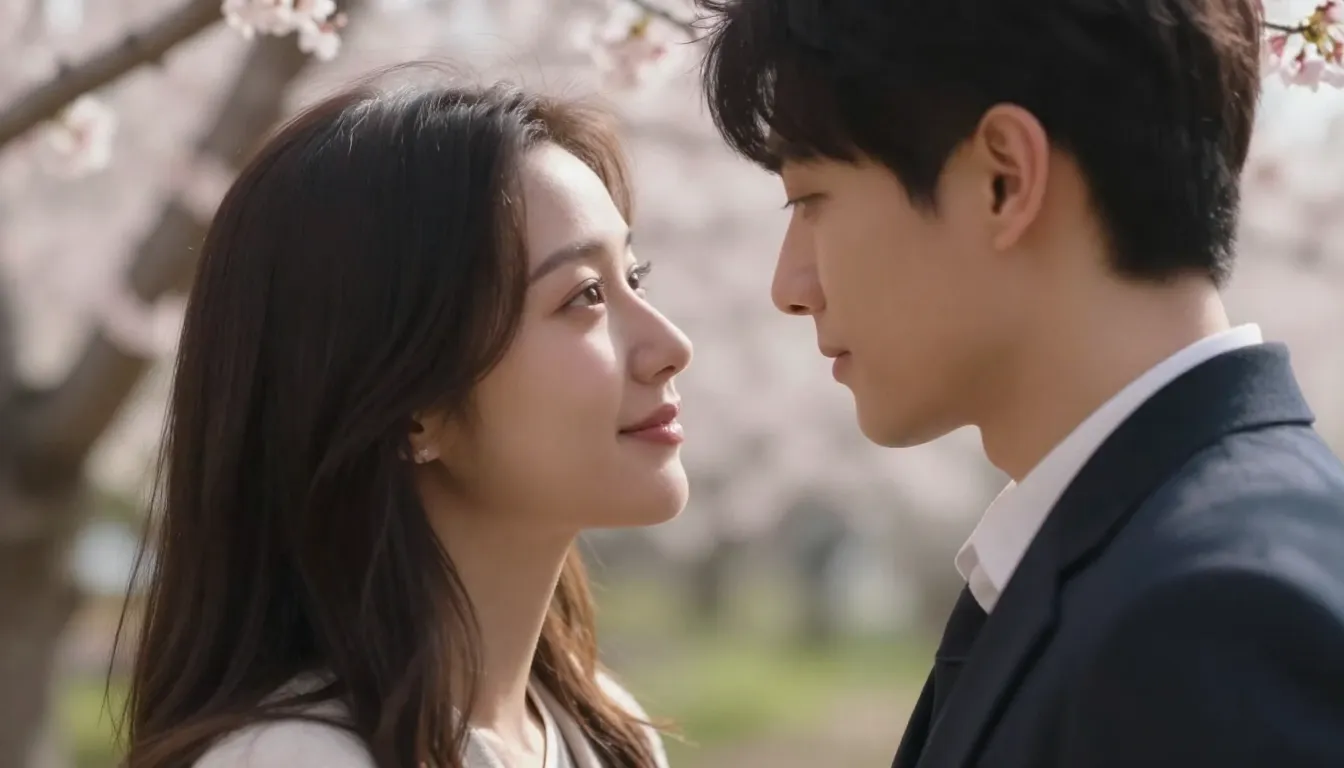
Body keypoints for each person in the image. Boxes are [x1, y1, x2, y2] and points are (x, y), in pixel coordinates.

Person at [696, 1, 1344, 766]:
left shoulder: (1209, 621)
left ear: (1003, 179)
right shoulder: (1142, 562)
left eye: (810, 199)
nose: (787, 285)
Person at [115, 68, 689, 768]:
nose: (670, 347)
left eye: (636, 277)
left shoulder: (609, 737)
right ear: (414, 410)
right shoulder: (294, 760)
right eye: (586, 296)